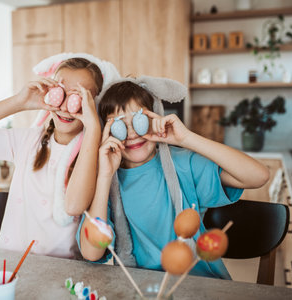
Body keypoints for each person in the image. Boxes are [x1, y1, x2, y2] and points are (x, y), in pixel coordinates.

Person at [77, 76, 270, 278]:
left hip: (201, 285)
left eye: (139, 120)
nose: (132, 133)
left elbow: (258, 176)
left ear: (156, 116)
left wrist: (186, 138)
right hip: (143, 290)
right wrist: (105, 176)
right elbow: (91, 252)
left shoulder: (182, 164)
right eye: (118, 125)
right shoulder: (104, 183)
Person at [0, 55, 120, 259]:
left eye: (78, 98)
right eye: (60, 93)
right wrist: (19, 102)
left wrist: (93, 126)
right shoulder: (28, 140)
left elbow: (75, 206)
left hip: (60, 273)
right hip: (10, 262)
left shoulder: (100, 156)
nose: (65, 107)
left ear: (93, 103)